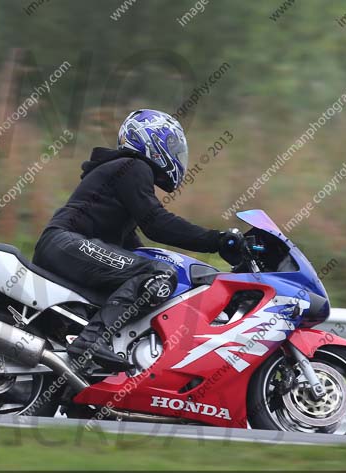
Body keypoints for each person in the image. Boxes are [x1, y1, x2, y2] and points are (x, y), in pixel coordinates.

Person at [32, 109, 244, 372]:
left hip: (67, 246)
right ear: (149, 139)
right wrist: (218, 240)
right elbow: (157, 224)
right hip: (67, 242)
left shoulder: (123, 173)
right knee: (158, 275)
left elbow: (136, 248)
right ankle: (90, 342)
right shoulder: (132, 166)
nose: (176, 154)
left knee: (150, 273)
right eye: (170, 146)